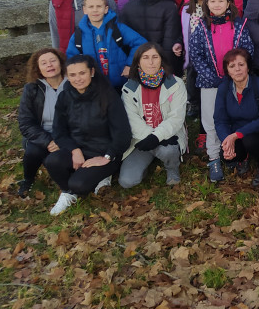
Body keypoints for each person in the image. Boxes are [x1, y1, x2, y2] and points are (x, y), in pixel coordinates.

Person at [44, 55, 131, 216]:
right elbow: (59, 131)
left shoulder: (108, 95)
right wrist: (74, 150)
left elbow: (123, 133)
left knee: (79, 184)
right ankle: (67, 192)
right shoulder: (64, 97)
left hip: (105, 151)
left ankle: (102, 176)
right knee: (52, 161)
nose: (78, 79)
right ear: (66, 76)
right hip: (79, 149)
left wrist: (107, 156)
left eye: (82, 73)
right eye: (73, 75)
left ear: (91, 72)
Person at [188, 0, 254, 182]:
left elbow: (247, 50)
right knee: (211, 121)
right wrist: (212, 77)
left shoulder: (239, 25)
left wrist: (235, 75)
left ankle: (234, 153)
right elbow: (196, 55)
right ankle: (214, 157)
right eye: (212, 1)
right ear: (207, 5)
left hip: (236, 81)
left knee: (234, 118)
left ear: (228, 3)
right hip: (210, 82)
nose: (217, 4)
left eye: (221, 0)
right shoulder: (201, 26)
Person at [119, 43, 187, 188]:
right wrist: (151, 138)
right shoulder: (129, 88)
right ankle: (146, 163)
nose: (150, 62)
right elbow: (132, 120)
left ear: (161, 60)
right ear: (138, 62)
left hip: (167, 137)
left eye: (155, 57)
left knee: (168, 150)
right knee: (127, 182)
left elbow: (177, 117)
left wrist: (157, 137)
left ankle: (172, 168)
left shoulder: (175, 83)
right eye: (145, 57)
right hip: (142, 139)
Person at [214, 48, 259, 185]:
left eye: (241, 65)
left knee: (250, 141)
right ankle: (243, 157)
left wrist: (236, 135)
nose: (237, 69)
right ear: (227, 71)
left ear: (248, 67)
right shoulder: (224, 88)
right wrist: (226, 141)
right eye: (232, 66)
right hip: (237, 132)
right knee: (226, 157)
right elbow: (219, 119)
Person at [65, 0, 146, 89]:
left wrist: (130, 65)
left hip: (120, 83)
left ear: (106, 9)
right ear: (84, 10)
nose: (95, 10)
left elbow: (141, 43)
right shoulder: (79, 35)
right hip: (94, 85)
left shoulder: (118, 29)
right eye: (91, 7)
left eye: (99, 6)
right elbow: (71, 58)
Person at [16, 48, 68, 197]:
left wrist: (62, 139)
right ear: (38, 68)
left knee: (56, 160)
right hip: (42, 134)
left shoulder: (73, 83)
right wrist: (48, 141)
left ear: (61, 63)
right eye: (43, 63)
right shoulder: (31, 88)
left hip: (68, 133)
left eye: (53, 61)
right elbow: (25, 122)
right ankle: (28, 179)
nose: (49, 65)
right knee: (33, 151)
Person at [118, 0, 182, 73]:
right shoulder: (129, 7)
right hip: (137, 63)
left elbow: (169, 40)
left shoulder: (169, 7)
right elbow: (123, 40)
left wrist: (165, 67)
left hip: (160, 64)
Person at [179, 0, 213, 125]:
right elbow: (183, 31)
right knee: (192, 79)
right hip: (193, 53)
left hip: (210, 53)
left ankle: (206, 110)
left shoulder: (213, 6)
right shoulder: (187, 9)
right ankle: (194, 103)